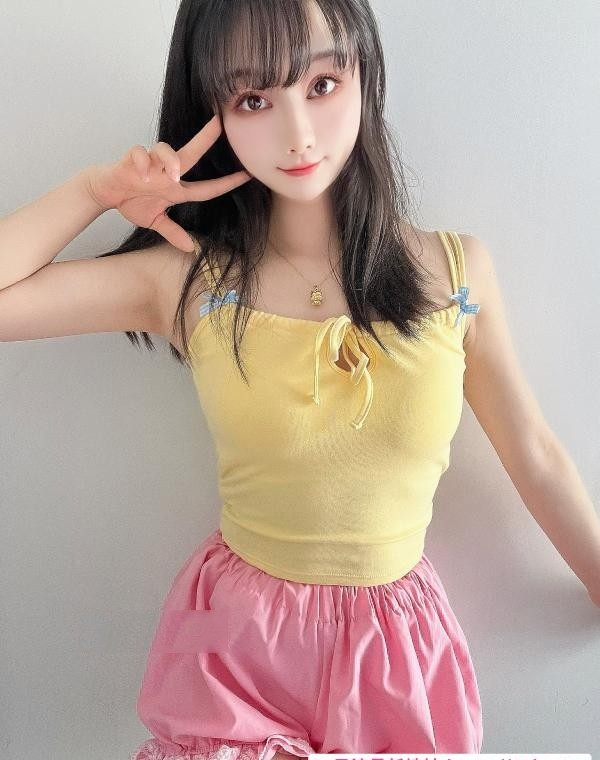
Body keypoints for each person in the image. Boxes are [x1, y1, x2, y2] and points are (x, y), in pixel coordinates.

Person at [2, 0, 599, 758]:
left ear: (364, 74)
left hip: (395, 653)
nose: (298, 134)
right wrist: (96, 193)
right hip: (238, 652)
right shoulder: (189, 281)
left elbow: (533, 451)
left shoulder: (455, 274)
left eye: (321, 84)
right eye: (254, 99)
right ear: (212, 113)